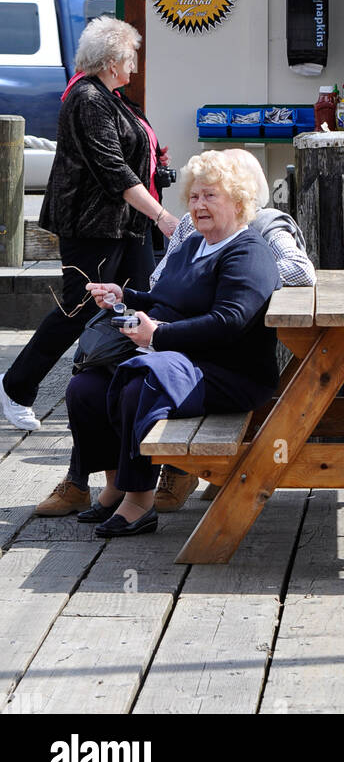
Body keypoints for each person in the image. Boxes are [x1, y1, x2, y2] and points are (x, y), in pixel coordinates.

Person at [36, 147, 315, 516]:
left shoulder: (249, 253)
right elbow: (164, 296)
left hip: (227, 371)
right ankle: (115, 485)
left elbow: (228, 321)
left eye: (210, 195)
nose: (199, 204)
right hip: (178, 359)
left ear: (238, 200)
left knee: (139, 385)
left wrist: (158, 336)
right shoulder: (194, 244)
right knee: (84, 388)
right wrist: (125, 295)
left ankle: (139, 501)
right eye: (195, 196)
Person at [0, 17, 178, 435]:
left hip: (124, 225)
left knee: (139, 301)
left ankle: (130, 386)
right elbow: (111, 169)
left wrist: (154, 162)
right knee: (77, 308)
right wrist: (161, 216)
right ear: (112, 60)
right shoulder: (88, 99)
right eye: (130, 56)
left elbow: (132, 150)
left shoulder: (113, 97)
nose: (134, 64)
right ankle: (16, 386)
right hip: (92, 225)